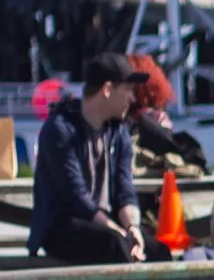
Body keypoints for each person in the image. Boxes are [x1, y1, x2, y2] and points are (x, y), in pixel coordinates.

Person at [28, 52, 148, 264]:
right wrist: (117, 231)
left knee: (157, 250)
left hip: (103, 223)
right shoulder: (60, 129)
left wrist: (132, 229)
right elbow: (75, 197)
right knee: (115, 244)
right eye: (128, 90)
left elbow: (125, 189)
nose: (133, 98)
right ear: (107, 90)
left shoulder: (119, 132)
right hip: (64, 226)